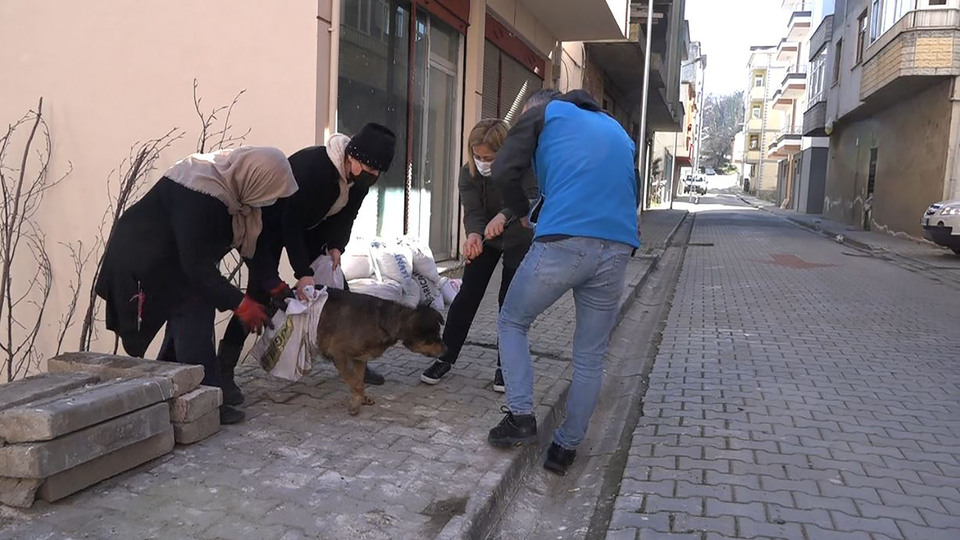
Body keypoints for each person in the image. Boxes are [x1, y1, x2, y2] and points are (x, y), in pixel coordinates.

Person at [486, 89, 640, 475]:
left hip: (564, 241)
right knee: (590, 354)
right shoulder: (618, 129)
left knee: (513, 320)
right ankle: (564, 449)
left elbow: (503, 168)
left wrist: (520, 212)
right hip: (618, 246)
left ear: (535, 108)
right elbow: (631, 185)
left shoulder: (544, 114)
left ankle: (521, 417)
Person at [95, 146, 298, 425]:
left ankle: (173, 393)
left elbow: (255, 245)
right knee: (195, 310)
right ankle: (207, 403)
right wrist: (240, 303)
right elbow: (195, 266)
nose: (271, 200)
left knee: (189, 313)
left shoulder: (238, 200)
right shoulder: (200, 192)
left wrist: (271, 282)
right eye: (271, 192)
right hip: (140, 261)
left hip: (174, 265)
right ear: (256, 178)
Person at [216, 123, 397, 406]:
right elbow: (290, 222)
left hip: (311, 228)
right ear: (354, 158)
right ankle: (224, 371)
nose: (372, 178)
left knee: (339, 293)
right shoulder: (314, 168)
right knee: (259, 294)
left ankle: (354, 357)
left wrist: (337, 245)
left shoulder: (359, 180)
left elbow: (346, 216)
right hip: (270, 227)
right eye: (371, 171)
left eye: (377, 175)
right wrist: (303, 273)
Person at [419, 119, 538, 390]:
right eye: (478, 156)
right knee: (466, 297)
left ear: (504, 152)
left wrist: (504, 215)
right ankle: (445, 356)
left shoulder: (523, 168)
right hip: (487, 239)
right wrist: (473, 234)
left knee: (508, 303)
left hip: (519, 240)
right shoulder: (468, 174)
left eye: (489, 157)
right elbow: (472, 211)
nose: (483, 162)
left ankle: (504, 365)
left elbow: (532, 196)